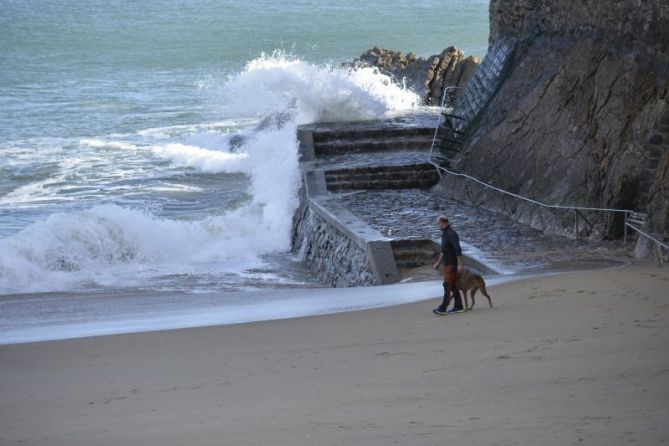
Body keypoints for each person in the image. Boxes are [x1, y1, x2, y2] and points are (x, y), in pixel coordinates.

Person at [432, 215, 465, 315]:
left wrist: (460, 264)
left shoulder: (451, 233)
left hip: (452, 264)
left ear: (443, 222)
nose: (437, 225)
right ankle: (458, 306)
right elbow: (443, 251)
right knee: (454, 285)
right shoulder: (444, 234)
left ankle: (443, 308)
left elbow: (458, 249)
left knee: (447, 285)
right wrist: (438, 262)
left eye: (438, 223)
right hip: (447, 263)